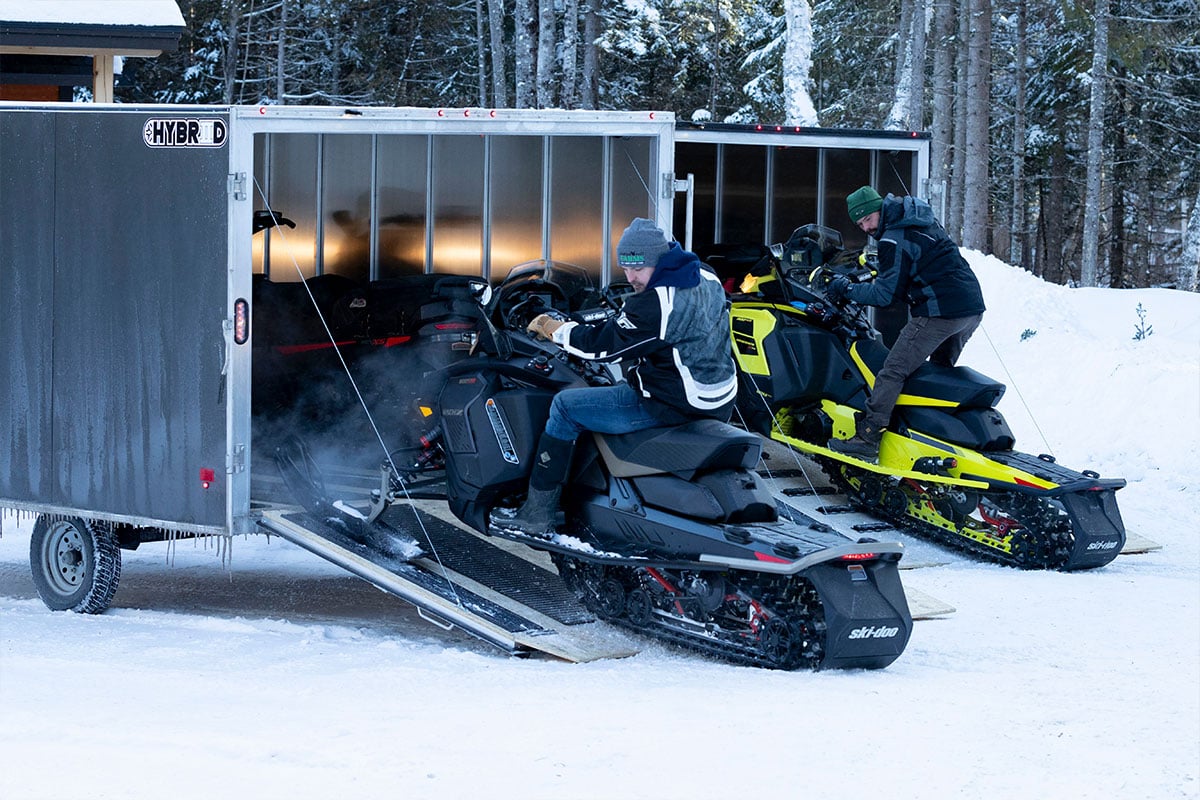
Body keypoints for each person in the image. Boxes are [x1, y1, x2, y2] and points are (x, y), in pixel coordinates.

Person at [494, 217, 739, 536]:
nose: (630, 277)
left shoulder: (655, 302)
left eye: (637, 268)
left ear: (657, 261)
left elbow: (600, 349)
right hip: (720, 396)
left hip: (674, 405)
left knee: (566, 406)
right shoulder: (705, 275)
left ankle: (537, 514)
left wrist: (556, 329)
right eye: (625, 268)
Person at [825, 186, 986, 461]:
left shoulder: (892, 238)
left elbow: (885, 295)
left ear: (879, 210)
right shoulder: (917, 218)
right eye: (860, 223)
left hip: (939, 311)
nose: (866, 228)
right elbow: (920, 261)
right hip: (970, 307)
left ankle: (869, 435)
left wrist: (845, 289)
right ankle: (935, 432)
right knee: (937, 372)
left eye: (867, 219)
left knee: (893, 370)